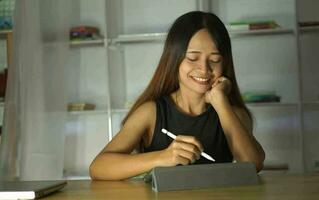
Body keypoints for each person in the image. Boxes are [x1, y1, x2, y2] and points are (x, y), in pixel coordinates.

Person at [89, 11, 265, 181]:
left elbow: (253, 164)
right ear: (175, 59)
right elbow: (98, 167)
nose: (204, 69)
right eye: (192, 58)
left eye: (215, 60)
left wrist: (220, 102)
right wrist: (163, 157)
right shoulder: (150, 113)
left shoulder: (232, 113)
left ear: (225, 63)